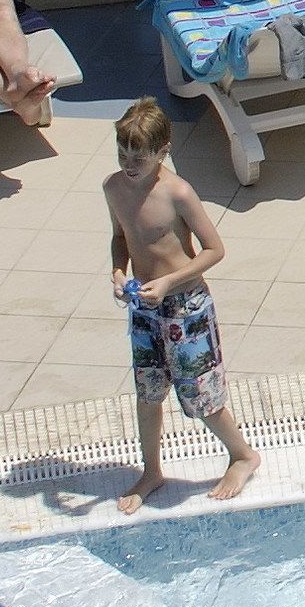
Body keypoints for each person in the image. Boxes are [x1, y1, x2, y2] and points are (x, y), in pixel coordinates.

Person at [102, 100, 260, 510]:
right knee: (148, 393)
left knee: (201, 396)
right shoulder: (113, 188)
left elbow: (214, 250)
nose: (130, 164)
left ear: (163, 150)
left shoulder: (178, 193)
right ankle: (151, 470)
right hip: (144, 306)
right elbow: (121, 238)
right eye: (123, 154)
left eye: (140, 156)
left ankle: (242, 455)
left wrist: (170, 280)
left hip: (186, 305)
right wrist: (119, 274)